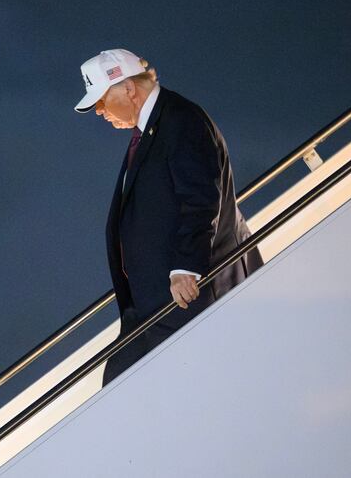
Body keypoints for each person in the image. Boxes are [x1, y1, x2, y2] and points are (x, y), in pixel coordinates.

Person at [73, 49, 263, 386]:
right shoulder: (153, 129)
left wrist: (185, 268)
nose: (99, 111)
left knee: (187, 395)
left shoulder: (180, 120)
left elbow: (202, 196)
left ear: (129, 88)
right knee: (118, 395)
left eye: (101, 100)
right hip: (150, 307)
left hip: (186, 297)